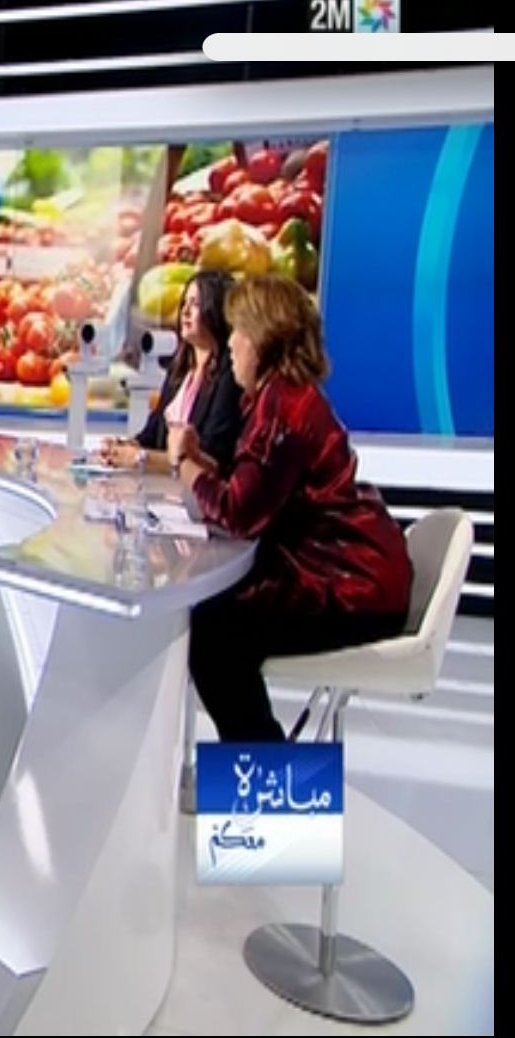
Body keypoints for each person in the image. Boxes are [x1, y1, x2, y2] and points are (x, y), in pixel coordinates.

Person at [169, 274, 413, 741]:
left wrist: (185, 465)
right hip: (346, 575)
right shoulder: (278, 397)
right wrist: (205, 464)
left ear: (262, 338)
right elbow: (257, 487)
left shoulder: (283, 407)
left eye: (239, 331)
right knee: (216, 622)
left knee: (216, 635)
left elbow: (240, 513)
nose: (231, 344)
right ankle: (264, 770)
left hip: (353, 588)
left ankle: (270, 778)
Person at [100, 269, 243, 474]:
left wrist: (140, 458)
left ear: (217, 310)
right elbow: (151, 434)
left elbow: (212, 455)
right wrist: (122, 447)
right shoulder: (180, 369)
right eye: (184, 303)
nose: (185, 311)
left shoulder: (230, 374)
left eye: (196, 304)